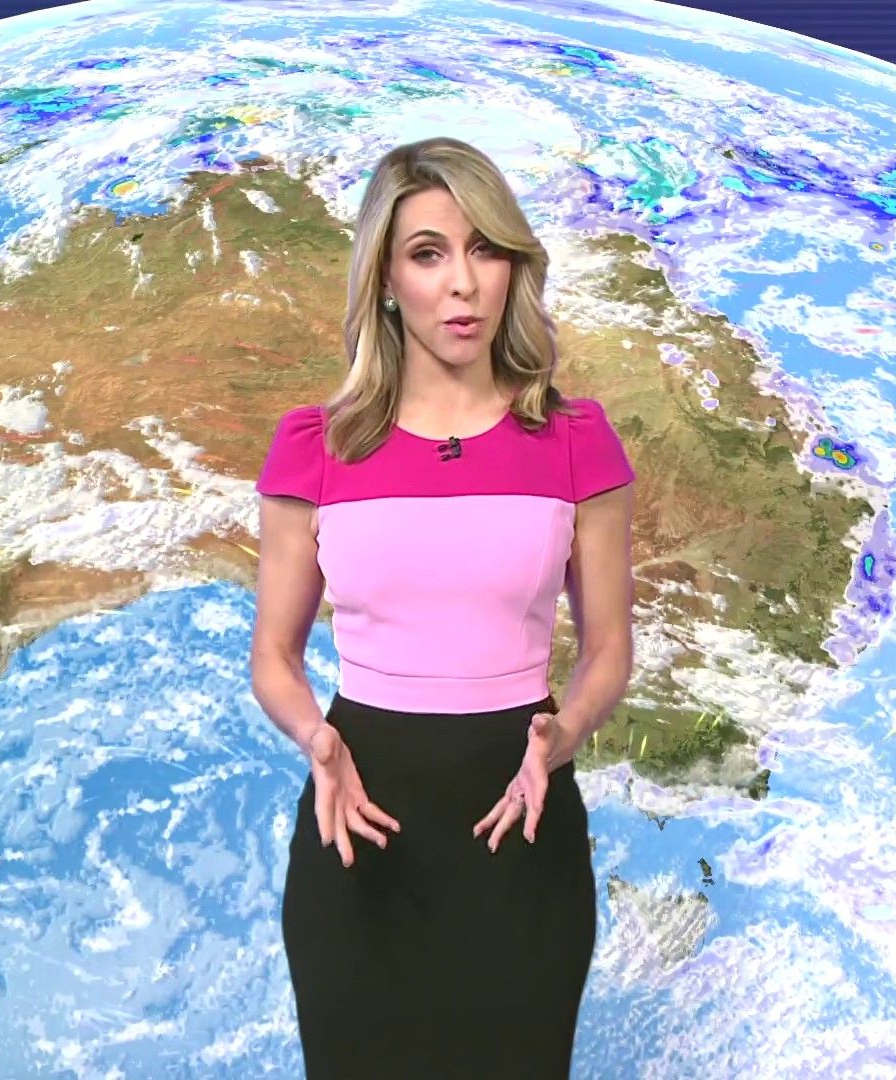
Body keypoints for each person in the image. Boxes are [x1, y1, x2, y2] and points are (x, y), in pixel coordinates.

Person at [249, 135, 636, 1079]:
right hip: (358, 829)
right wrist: (316, 738)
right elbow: (275, 659)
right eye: (428, 254)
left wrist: (564, 735)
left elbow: (609, 650)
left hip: (522, 826)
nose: (463, 283)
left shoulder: (577, 440)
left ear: (512, 267)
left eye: (485, 249)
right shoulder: (315, 447)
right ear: (386, 280)